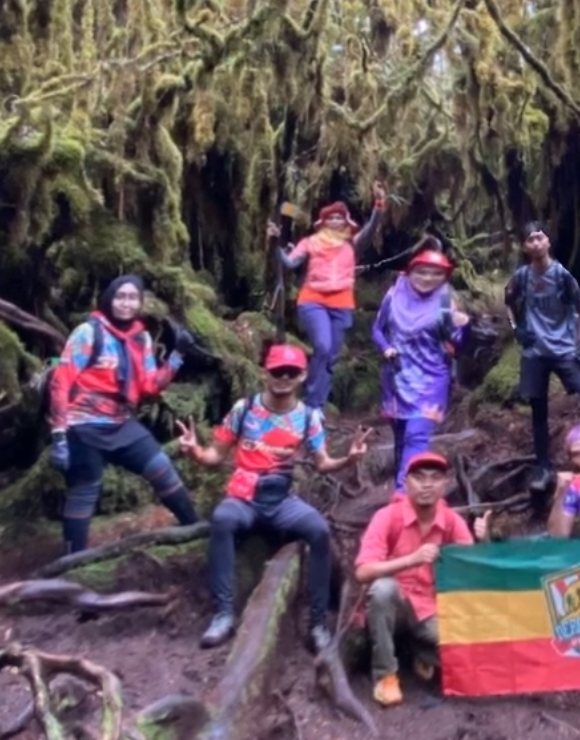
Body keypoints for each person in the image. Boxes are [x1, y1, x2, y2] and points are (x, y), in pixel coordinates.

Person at [177, 343, 369, 651]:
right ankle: (223, 614)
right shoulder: (245, 409)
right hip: (244, 498)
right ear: (266, 372)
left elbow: (321, 463)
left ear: (302, 376)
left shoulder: (308, 417)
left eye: (290, 372)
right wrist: (194, 451)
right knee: (223, 520)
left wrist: (348, 460)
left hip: (281, 500)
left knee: (319, 530)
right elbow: (215, 455)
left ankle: (318, 623)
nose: (283, 377)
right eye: (277, 371)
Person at [49, 276, 199, 555]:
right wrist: (58, 435)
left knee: (160, 466)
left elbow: (150, 386)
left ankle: (197, 529)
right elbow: (61, 381)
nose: (126, 303)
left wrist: (177, 354)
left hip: (119, 422)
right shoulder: (87, 332)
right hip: (82, 426)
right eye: (120, 297)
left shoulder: (140, 337)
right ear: (109, 299)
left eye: (133, 298)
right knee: (84, 490)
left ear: (140, 303)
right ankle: (72, 564)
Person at [355, 452, 489, 707]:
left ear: (445, 484)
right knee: (383, 589)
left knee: (469, 656)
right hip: (392, 606)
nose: (427, 484)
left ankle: (420, 651)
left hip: (428, 608)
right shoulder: (387, 517)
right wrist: (411, 560)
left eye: (435, 478)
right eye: (419, 477)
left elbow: (472, 572)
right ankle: (386, 676)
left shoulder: (451, 521)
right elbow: (363, 572)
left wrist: (483, 542)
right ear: (406, 483)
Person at [505, 221, 580, 492]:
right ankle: (543, 465)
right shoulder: (521, 277)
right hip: (534, 352)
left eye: (539, 238)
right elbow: (509, 304)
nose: (536, 243)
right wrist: (517, 329)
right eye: (530, 240)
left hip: (563, 349)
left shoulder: (562, 276)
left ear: (548, 242)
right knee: (538, 409)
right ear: (525, 247)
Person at [267, 180, 387, 411]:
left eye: (339, 218)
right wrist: (275, 243)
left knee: (331, 357)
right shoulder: (310, 242)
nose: (335, 221)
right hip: (313, 300)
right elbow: (290, 262)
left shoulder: (352, 244)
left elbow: (373, 226)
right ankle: (312, 402)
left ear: (345, 221)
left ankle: (317, 406)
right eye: (331, 218)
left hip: (342, 303)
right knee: (322, 346)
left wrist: (379, 202)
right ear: (323, 222)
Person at [372, 248, 470, 490]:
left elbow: (458, 343)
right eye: (422, 272)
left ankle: (403, 495)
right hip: (397, 377)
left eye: (436, 273)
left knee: (417, 435)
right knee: (400, 437)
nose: (428, 278)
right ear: (410, 271)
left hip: (431, 379)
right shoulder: (394, 293)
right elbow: (377, 329)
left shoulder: (447, 298)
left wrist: (465, 326)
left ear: (445, 276)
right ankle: (401, 484)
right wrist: (385, 348)